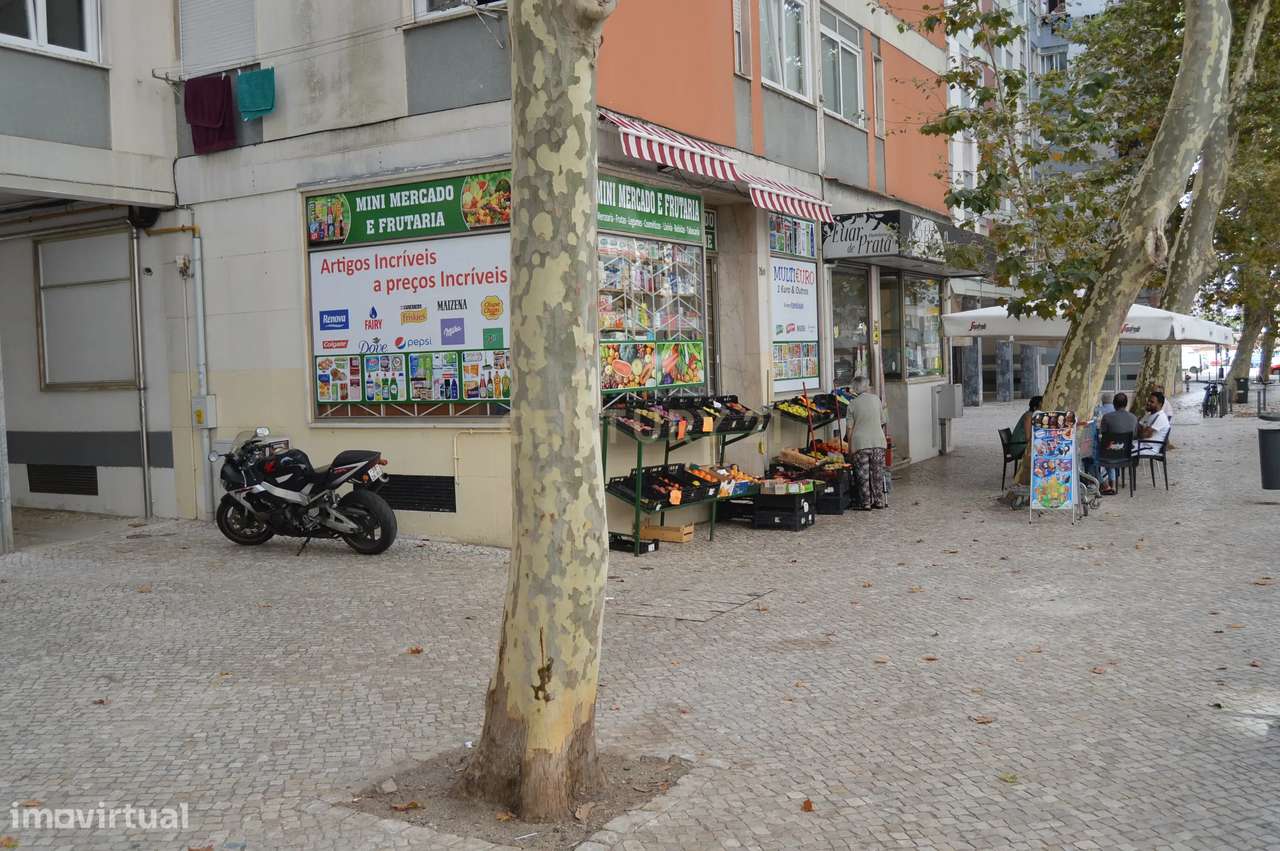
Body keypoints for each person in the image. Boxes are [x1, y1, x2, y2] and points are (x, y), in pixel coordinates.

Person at [845, 376, 888, 510]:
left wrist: (850, 448)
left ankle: (866, 503)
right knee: (877, 473)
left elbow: (849, 429)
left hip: (860, 443)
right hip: (878, 441)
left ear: (855, 388)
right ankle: (879, 501)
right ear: (866, 386)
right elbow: (882, 421)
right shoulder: (876, 400)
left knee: (863, 475)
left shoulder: (852, 404)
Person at [1097, 392, 1139, 494]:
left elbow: (1103, 433)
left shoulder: (1107, 417)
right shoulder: (1134, 418)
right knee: (1110, 450)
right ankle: (1113, 485)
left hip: (1109, 452)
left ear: (1114, 404)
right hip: (1126, 453)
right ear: (1126, 404)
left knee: (1093, 457)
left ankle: (1106, 485)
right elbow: (1134, 435)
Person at [1135, 390, 1171, 456]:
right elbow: (1137, 428)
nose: (1148, 403)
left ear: (1159, 404)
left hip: (1149, 448)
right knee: (1119, 448)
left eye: (1152, 402)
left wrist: (1141, 429)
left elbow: (1144, 434)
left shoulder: (1160, 417)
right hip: (1140, 444)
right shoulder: (1148, 414)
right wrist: (1142, 428)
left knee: (1124, 452)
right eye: (1148, 401)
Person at [1008, 395, 1042, 459]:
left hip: (1023, 444)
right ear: (1035, 408)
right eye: (1041, 407)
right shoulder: (1029, 416)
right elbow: (1027, 438)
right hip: (1019, 446)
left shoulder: (1034, 416)